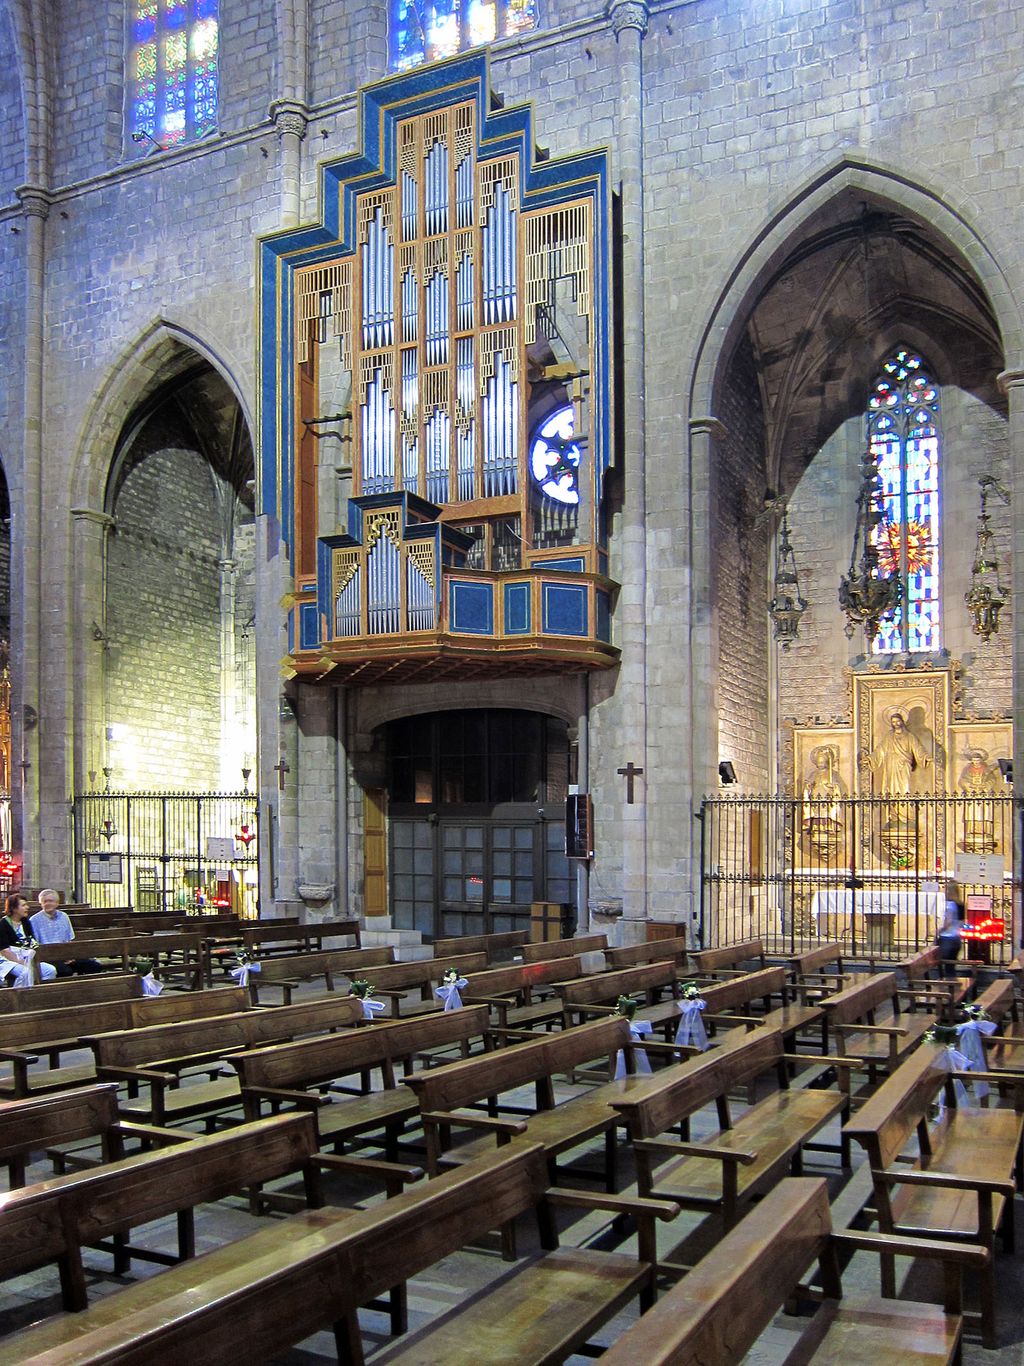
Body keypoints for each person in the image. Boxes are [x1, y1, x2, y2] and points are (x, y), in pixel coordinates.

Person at [29, 888, 103, 975]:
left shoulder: (64, 916)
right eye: (45, 901)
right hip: (47, 957)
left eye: (51, 901)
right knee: (65, 971)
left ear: (57, 903)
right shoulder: (34, 920)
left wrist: (70, 956)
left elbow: (69, 940)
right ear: (40, 903)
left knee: (94, 966)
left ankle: (86, 988)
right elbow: (36, 945)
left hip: (65, 954)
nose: (48, 903)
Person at [860, 710, 931, 797]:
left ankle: (906, 809)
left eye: (898, 721)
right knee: (891, 788)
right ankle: (892, 809)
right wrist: (870, 758)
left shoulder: (910, 736)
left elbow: (918, 748)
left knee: (905, 788)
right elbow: (880, 750)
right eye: (893, 722)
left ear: (902, 721)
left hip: (904, 765)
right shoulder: (889, 736)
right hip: (891, 765)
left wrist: (925, 757)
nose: (896, 724)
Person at [0, 892, 57, 986]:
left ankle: (40, 995)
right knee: (26, 972)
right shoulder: (3, 924)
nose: (27, 907)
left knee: (50, 970)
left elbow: (32, 941)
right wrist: (22, 962)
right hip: (7, 961)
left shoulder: (25, 922)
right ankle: (20, 998)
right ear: (14, 908)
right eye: (23, 905)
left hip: (27, 958)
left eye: (27, 905)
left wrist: (33, 960)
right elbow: (4, 951)